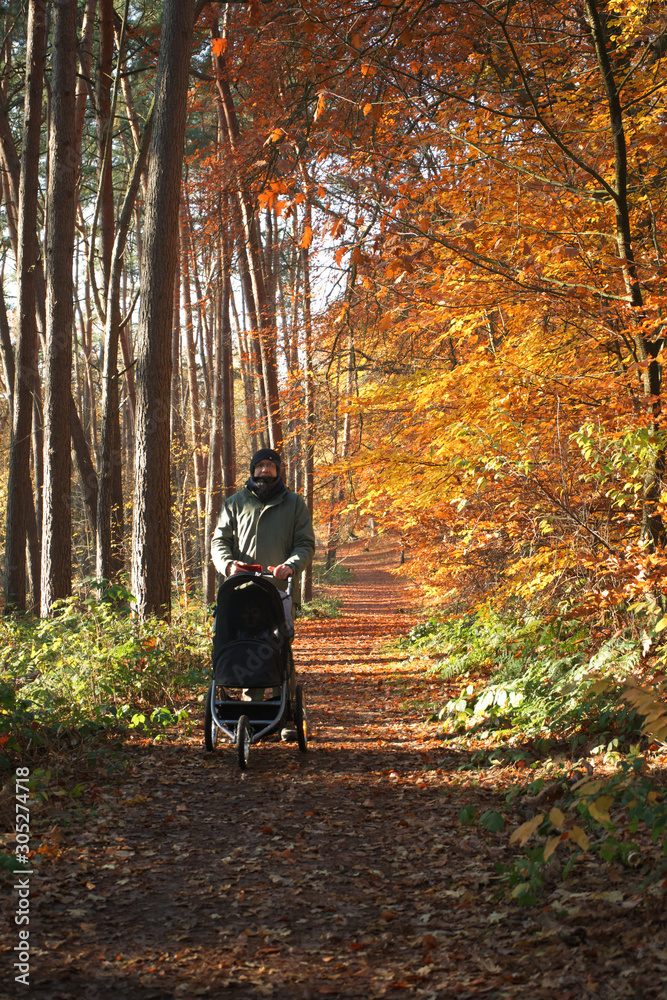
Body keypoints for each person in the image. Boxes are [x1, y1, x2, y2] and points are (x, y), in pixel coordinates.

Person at [211, 448, 315, 739]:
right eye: (261, 466)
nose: (265, 470)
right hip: (241, 594)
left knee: (280, 648)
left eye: (271, 466)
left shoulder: (294, 504)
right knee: (244, 646)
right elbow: (220, 541)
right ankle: (250, 712)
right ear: (253, 470)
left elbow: (305, 544)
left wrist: (290, 566)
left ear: (278, 470)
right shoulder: (234, 504)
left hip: (278, 593)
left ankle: (287, 716)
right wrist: (229, 565)